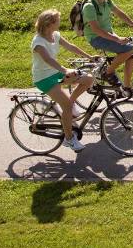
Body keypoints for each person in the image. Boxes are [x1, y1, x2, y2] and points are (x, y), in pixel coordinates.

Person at [31, 9, 97, 152]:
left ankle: (71, 104)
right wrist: (65, 70)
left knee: (88, 79)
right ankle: (69, 140)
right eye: (58, 20)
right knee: (66, 106)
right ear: (50, 23)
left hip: (55, 73)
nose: (60, 22)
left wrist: (89, 57)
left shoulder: (55, 35)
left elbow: (71, 47)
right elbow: (47, 59)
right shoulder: (38, 42)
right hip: (44, 78)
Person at [82, 0, 133, 99]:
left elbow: (119, 13)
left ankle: (126, 89)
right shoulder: (89, 6)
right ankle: (108, 73)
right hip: (96, 38)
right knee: (129, 49)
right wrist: (117, 39)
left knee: (131, 55)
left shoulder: (107, 2)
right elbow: (96, 30)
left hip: (108, 34)